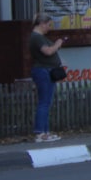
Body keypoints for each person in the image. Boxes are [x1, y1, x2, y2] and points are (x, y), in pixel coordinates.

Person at [29, 13, 66, 142]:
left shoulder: (40, 37)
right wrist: (57, 44)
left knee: (47, 102)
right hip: (43, 71)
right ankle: (40, 132)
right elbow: (48, 51)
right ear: (42, 24)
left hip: (47, 70)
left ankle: (45, 131)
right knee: (44, 102)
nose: (49, 28)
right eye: (49, 25)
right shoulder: (36, 37)